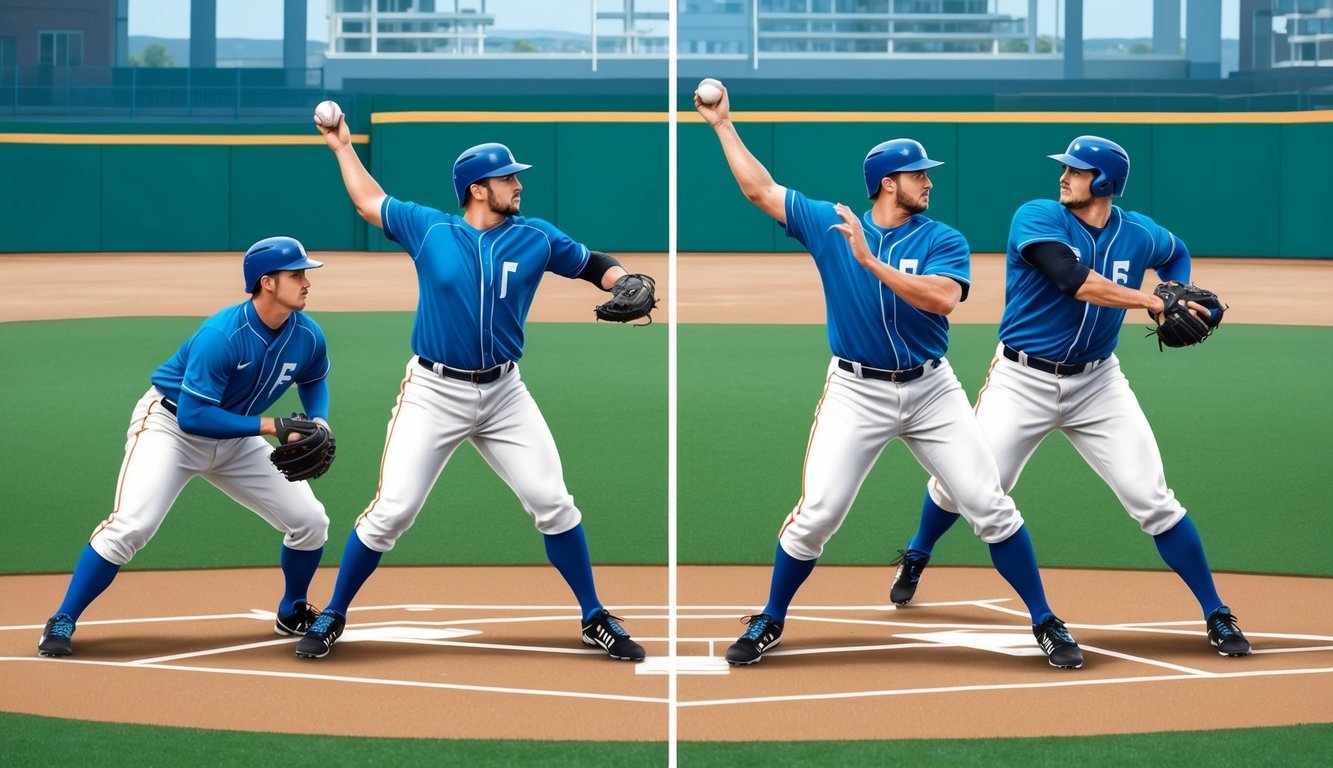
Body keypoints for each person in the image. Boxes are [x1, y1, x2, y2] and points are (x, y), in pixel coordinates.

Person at [695, 82, 1083, 668]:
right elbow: (759, 189)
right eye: (918, 174)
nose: (929, 181)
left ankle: (1046, 621)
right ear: (887, 183)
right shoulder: (832, 222)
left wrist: (870, 262)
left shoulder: (942, 238)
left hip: (932, 392)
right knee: (818, 512)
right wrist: (721, 124)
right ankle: (770, 618)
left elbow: (942, 300)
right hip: (856, 391)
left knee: (989, 503)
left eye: (927, 174)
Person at [303, 111, 648, 661]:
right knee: (392, 510)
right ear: (477, 189)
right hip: (433, 392)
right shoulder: (430, 228)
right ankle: (333, 613)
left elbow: (593, 264)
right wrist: (342, 146)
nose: (518, 184)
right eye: (509, 177)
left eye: (516, 176)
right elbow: (371, 202)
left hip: (505, 394)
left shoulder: (535, 236)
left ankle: (593, 615)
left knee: (553, 502)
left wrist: (626, 280)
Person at [887, 136, 1251, 657]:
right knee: (969, 487)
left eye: (1076, 170)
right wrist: (1153, 299)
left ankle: (1217, 613)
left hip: (1099, 384)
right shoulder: (1037, 217)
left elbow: (1176, 253)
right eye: (1066, 168)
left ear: (1103, 183)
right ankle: (919, 552)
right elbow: (1071, 278)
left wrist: (1178, 290)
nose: (1064, 176)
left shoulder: (1139, 233)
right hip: (1021, 381)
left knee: (1153, 500)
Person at [37, 237, 333, 657]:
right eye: (296, 274)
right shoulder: (222, 335)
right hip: (171, 429)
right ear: (267, 282)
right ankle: (63, 617)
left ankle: (292, 609)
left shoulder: (307, 333)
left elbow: (314, 375)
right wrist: (270, 425)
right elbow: (194, 416)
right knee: (131, 526)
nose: (307, 282)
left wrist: (318, 419)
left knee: (311, 521)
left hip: (237, 436)